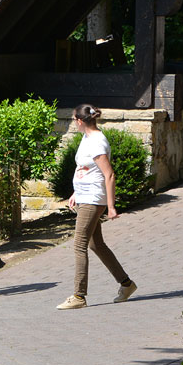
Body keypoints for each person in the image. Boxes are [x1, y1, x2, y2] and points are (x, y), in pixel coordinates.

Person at [57, 104, 137, 309]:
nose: (73, 123)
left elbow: (109, 175)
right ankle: (126, 284)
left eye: (74, 120)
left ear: (80, 121)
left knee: (79, 245)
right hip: (85, 196)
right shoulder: (87, 138)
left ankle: (79, 296)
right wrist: (76, 192)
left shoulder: (97, 142)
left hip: (93, 199)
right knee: (96, 244)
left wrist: (111, 206)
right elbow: (86, 169)